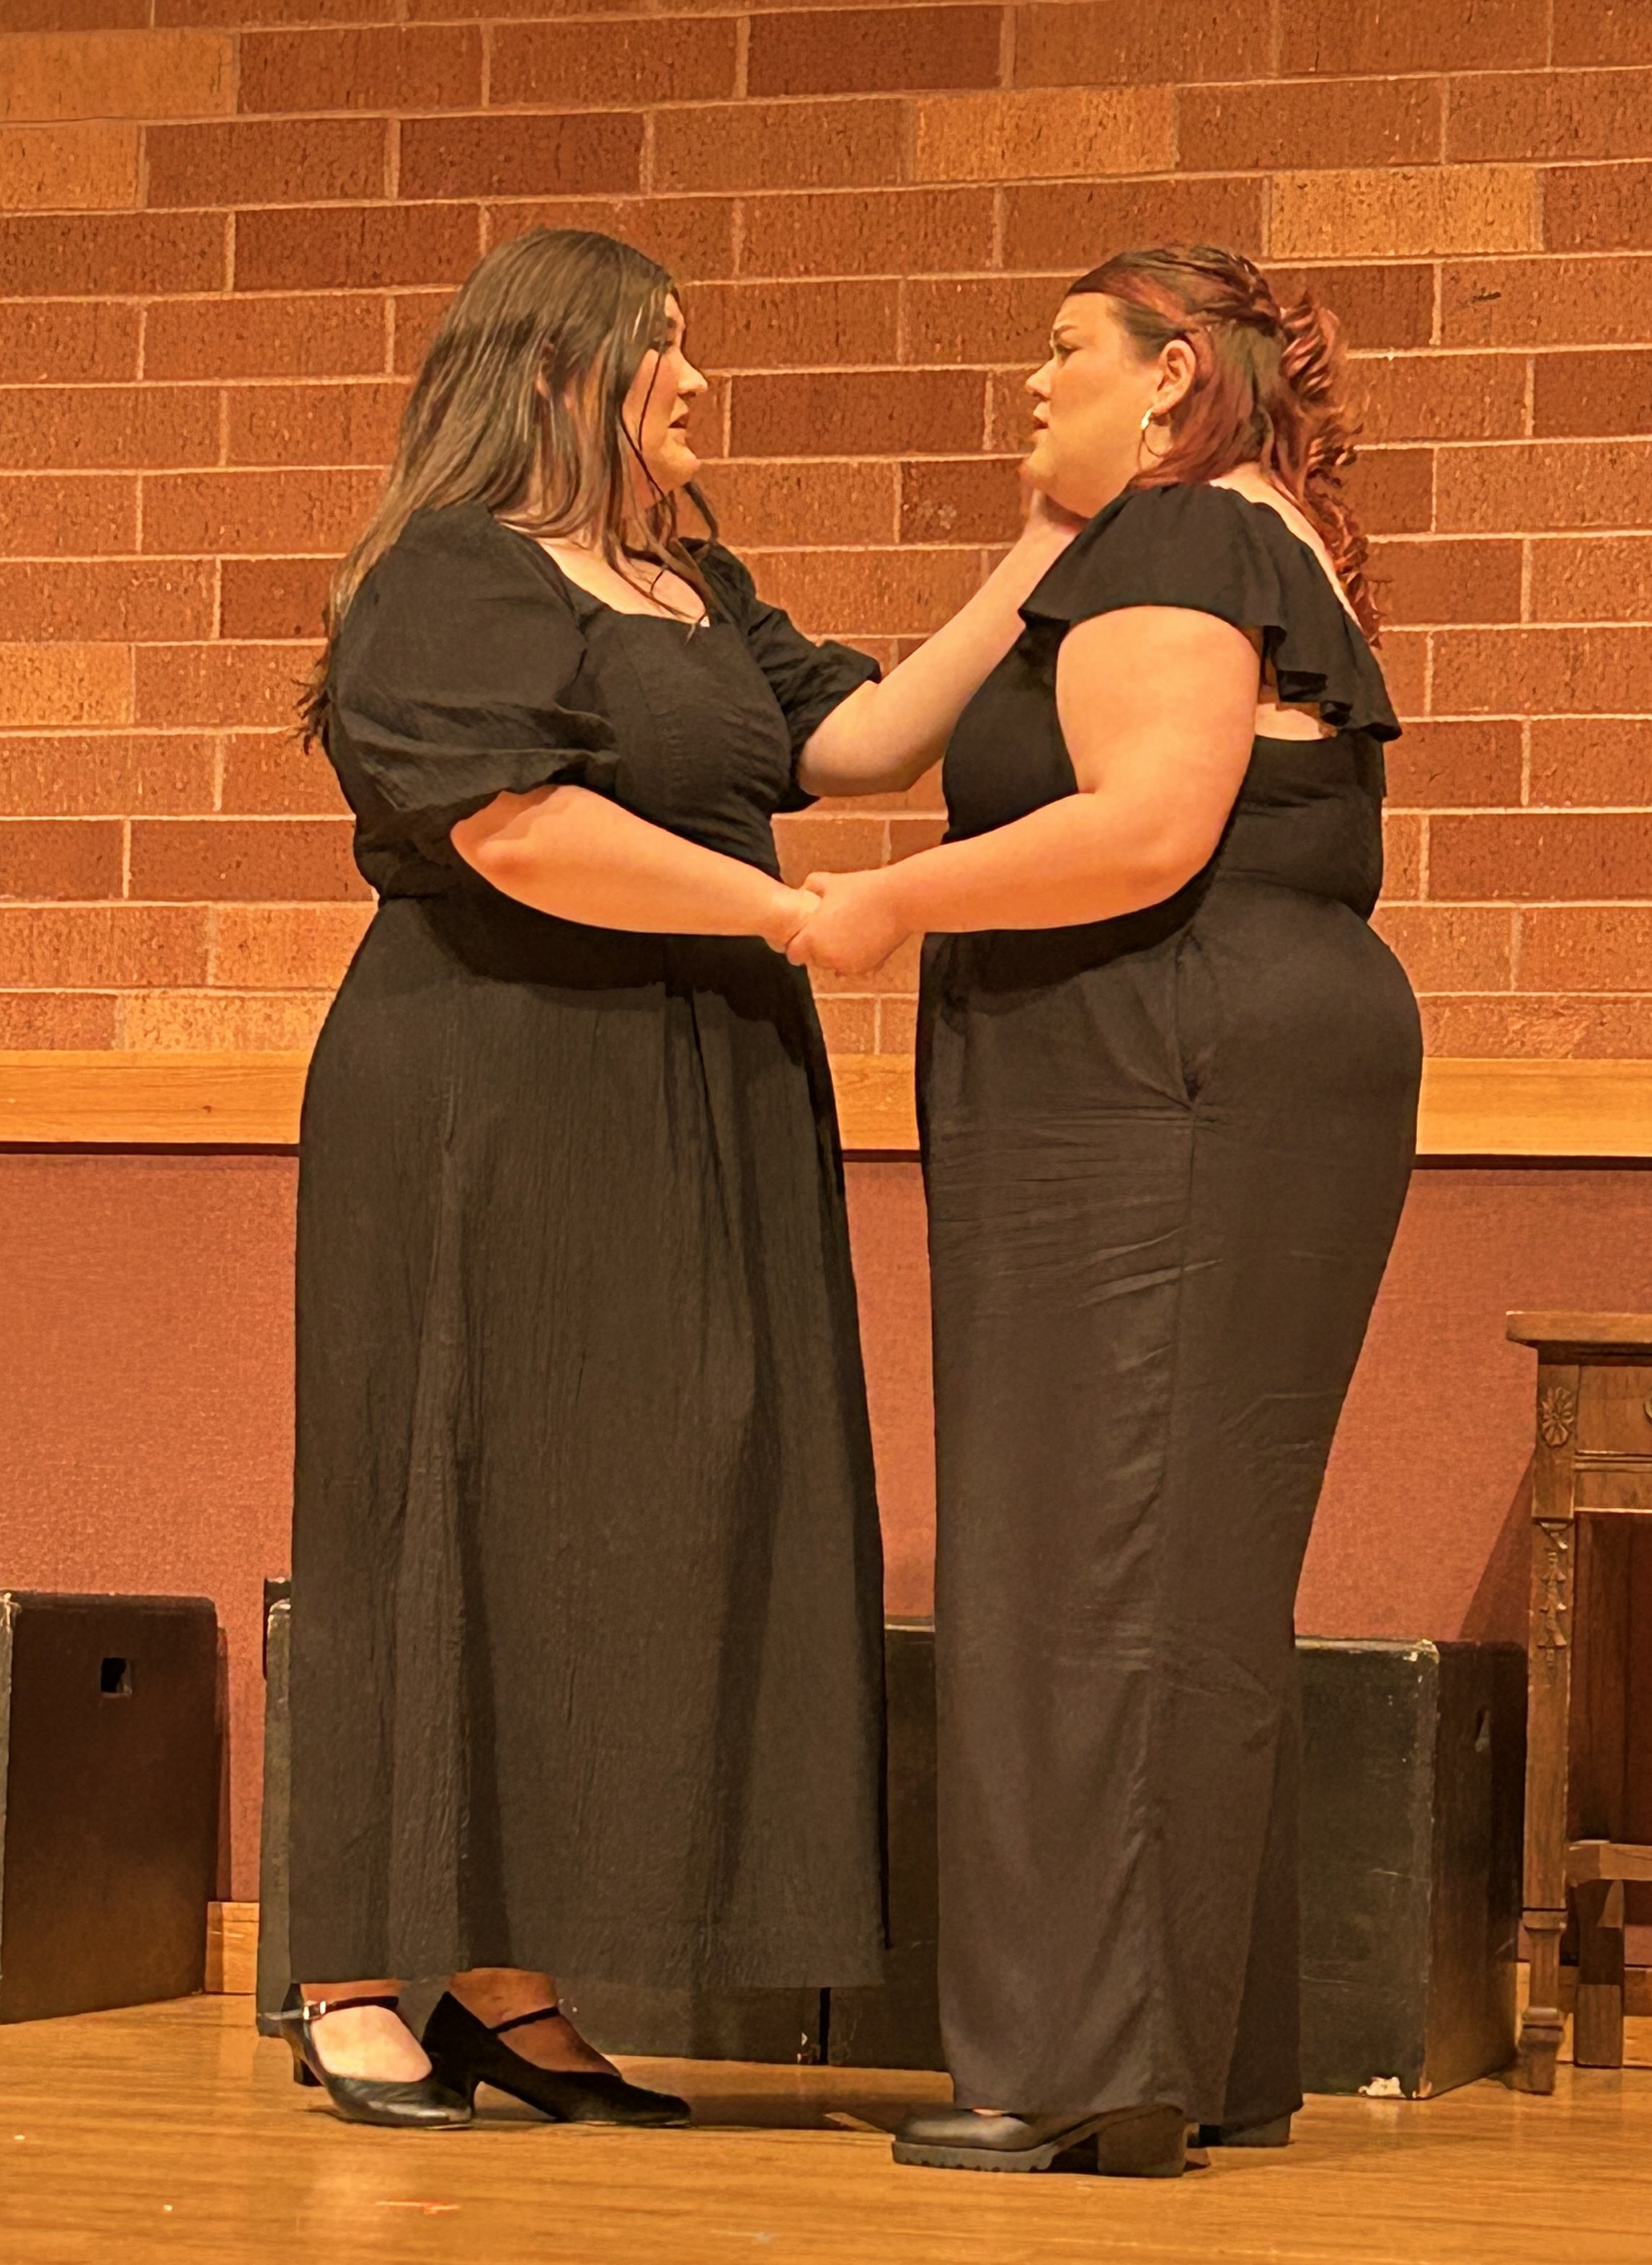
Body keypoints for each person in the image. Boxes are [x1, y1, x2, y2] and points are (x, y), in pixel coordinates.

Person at [280, 226, 1078, 2129]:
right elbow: (518, 830)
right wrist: (791, 919)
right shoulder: (453, 577)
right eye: (665, 353)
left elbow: (852, 738)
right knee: (442, 1493)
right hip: (491, 1081)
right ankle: (354, 1970)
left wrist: (1044, 549)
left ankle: (506, 1972)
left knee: (626, 1517)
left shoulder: (685, 581)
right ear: (557, 373)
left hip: (692, 1083)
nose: (697, 386)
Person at [790, 247, 1423, 2177]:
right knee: (1166, 1560)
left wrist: (892, 905)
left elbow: (1147, 823)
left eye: (1059, 353)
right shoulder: (1205, 537)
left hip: (1160, 1067)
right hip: (1207, 1059)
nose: (1023, 382)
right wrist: (1035, 542)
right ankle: (1173, 2048)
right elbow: (858, 743)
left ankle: (1076, 2065)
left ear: (1167, 381)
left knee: (1089, 1552)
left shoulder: (1175, 548)